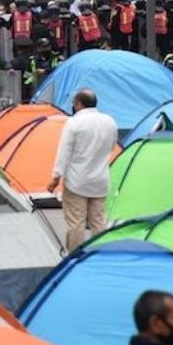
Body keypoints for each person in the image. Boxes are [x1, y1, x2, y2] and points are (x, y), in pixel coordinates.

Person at [48, 88, 118, 252]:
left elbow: (64, 152)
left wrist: (56, 177)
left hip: (77, 181)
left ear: (78, 104)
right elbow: (112, 145)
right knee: (98, 221)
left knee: (75, 222)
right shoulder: (109, 121)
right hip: (100, 180)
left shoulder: (74, 123)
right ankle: (100, 254)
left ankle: (74, 256)